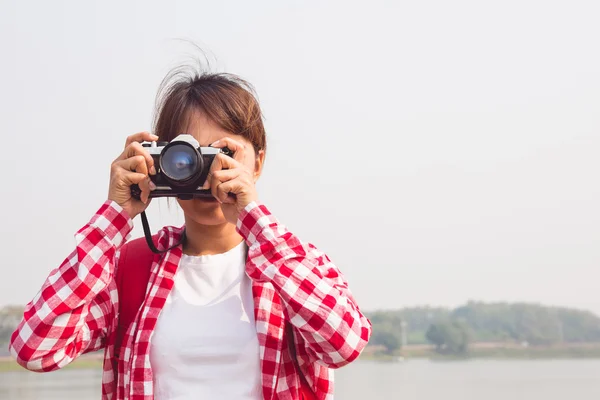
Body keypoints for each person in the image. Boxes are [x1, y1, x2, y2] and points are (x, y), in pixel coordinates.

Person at [9, 67, 371, 400]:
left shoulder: (296, 265)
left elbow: (344, 345)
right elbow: (35, 350)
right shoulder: (131, 267)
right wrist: (114, 217)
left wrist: (255, 220)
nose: (208, 172)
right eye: (188, 156)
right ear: (160, 162)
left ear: (257, 163)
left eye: (223, 153)